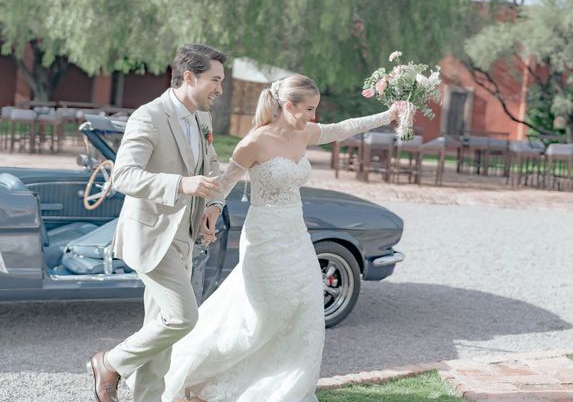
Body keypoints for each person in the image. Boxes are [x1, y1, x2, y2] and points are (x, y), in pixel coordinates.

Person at [163, 74, 405, 402]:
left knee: (306, 309)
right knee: (260, 316)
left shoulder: (304, 133)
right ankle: (198, 372)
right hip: (264, 237)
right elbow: (224, 182)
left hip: (296, 235)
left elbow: (344, 127)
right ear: (288, 106)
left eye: (315, 109)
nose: (313, 116)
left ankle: (287, 388)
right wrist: (212, 210)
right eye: (308, 109)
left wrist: (388, 115)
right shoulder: (254, 142)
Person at [88, 43, 228, 402]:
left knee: (160, 332)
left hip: (184, 236)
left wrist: (211, 205)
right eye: (215, 80)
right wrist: (181, 184)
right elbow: (124, 176)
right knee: (183, 318)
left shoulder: (202, 118)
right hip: (151, 235)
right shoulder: (149, 116)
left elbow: (211, 166)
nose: (220, 89)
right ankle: (110, 363)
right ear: (188, 77)